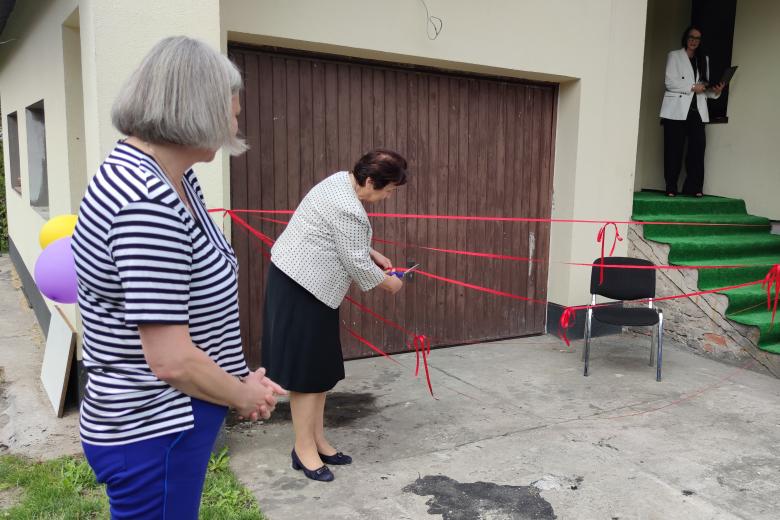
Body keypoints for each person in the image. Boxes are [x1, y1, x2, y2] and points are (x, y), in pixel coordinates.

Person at [71, 36, 286, 519]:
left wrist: (234, 377)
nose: (236, 115)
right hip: (151, 427)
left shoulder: (176, 179)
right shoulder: (145, 200)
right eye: (231, 102)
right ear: (197, 105)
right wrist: (242, 394)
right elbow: (169, 359)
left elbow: (184, 304)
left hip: (172, 417)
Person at [262, 149, 408, 482]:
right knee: (306, 374)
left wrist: (372, 251)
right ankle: (303, 449)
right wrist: (392, 284)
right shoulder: (348, 208)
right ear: (370, 180)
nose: (387, 197)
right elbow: (357, 264)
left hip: (311, 287)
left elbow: (344, 239)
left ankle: (317, 440)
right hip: (300, 287)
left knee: (320, 370)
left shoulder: (339, 182)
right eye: (388, 190)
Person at [660, 25, 724, 197]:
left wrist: (715, 91)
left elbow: (704, 87)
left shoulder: (704, 59)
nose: (694, 41)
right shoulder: (674, 56)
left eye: (697, 38)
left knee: (697, 148)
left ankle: (694, 187)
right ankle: (671, 187)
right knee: (674, 149)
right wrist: (692, 87)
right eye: (691, 37)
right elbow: (669, 83)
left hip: (697, 109)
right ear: (685, 38)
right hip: (677, 109)